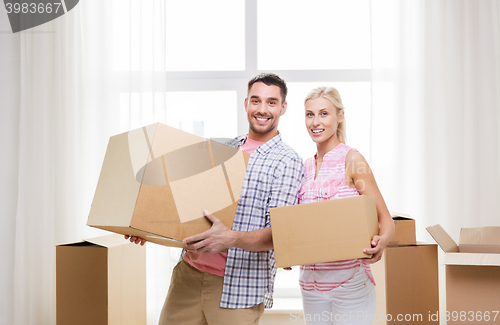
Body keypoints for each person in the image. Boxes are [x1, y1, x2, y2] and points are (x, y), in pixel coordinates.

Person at [126, 73, 304, 325]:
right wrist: (147, 227)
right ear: (246, 104)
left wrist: (231, 239)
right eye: (256, 101)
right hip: (188, 275)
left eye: (271, 102)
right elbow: (187, 205)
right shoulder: (223, 148)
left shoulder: (287, 161)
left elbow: (281, 233)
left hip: (237, 288)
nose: (262, 109)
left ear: (283, 108)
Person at [297, 86, 394, 325]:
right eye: (310, 114)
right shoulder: (304, 167)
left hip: (349, 284)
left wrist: (381, 241)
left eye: (323, 113)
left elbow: (386, 220)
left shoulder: (352, 160)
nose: (315, 122)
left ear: (340, 116)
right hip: (311, 286)